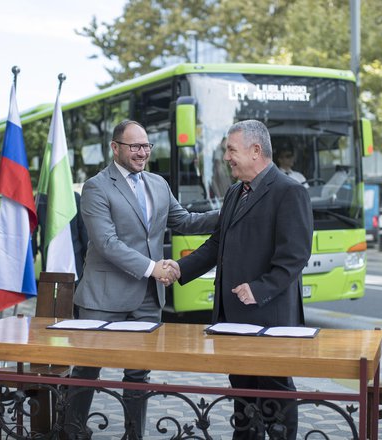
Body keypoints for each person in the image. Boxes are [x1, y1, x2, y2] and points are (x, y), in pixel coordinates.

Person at [65, 120, 218, 439]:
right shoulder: (96, 187)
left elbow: (185, 221)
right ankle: (72, 431)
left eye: (146, 146)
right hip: (103, 299)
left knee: (138, 373)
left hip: (148, 299)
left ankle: (133, 435)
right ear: (115, 147)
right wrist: (154, 268)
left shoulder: (158, 184)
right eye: (134, 146)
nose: (142, 152)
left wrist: (230, 210)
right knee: (87, 369)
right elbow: (107, 243)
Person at [174, 120, 313, 440]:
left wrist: (259, 289)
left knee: (276, 395)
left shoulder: (290, 192)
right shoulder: (236, 191)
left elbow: (295, 257)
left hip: (270, 318)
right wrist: (180, 270)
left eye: (230, 150)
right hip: (233, 317)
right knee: (243, 396)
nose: (226, 157)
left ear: (255, 151)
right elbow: (216, 244)